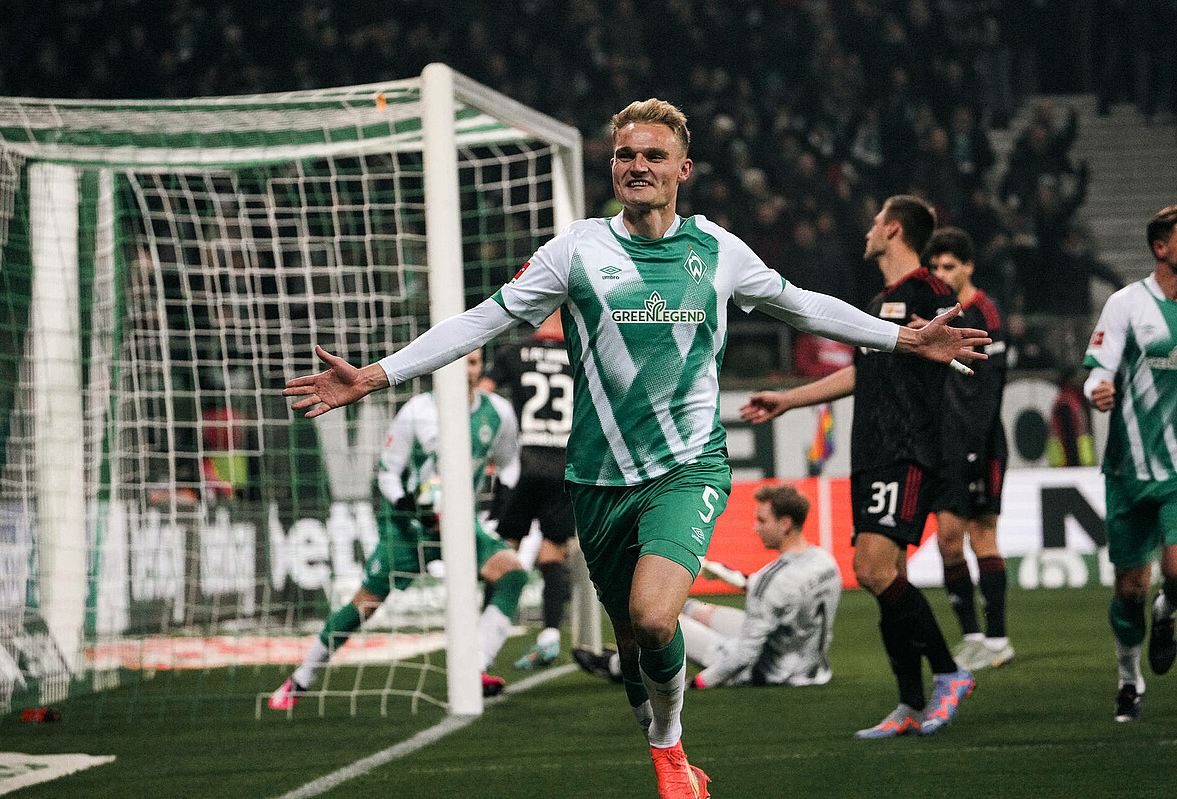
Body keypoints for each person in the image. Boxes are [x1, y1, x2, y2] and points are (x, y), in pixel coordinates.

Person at [284, 102, 988, 797]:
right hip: (595, 480)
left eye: (653, 155)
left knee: (656, 617)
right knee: (632, 643)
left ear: (682, 169)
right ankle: (660, 726)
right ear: (612, 166)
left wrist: (903, 337)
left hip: (686, 469)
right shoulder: (576, 250)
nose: (637, 165)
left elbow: (803, 304)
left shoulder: (716, 250)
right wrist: (378, 374)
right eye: (626, 154)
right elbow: (484, 320)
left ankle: (670, 752)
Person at [741, 195, 979, 739]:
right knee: (881, 576)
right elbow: (863, 376)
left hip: (907, 450)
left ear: (893, 230)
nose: (868, 231)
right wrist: (789, 399)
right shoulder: (880, 302)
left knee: (872, 570)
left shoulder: (931, 294)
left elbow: (942, 359)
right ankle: (911, 703)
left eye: (875, 223)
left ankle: (948, 673)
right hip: (871, 451)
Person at [269, 350, 526, 709]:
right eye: (460, 361)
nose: (466, 369)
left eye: (473, 362)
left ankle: (476, 665)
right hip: (408, 527)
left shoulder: (498, 413)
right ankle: (301, 679)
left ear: (480, 367)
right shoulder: (417, 412)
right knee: (365, 606)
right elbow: (388, 472)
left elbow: (510, 465)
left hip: (459, 525)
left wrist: (499, 511)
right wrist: (408, 503)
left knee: (512, 574)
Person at [577, 484, 842, 689]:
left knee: (657, 621)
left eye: (762, 520)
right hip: (808, 661)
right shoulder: (825, 562)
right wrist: (738, 579)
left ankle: (615, 665)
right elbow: (786, 595)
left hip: (768, 669)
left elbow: (745, 653)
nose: (755, 528)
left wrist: (703, 682)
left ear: (785, 524)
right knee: (691, 607)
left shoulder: (770, 580)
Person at [1082, 204, 1177, 723]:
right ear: (1160, 247)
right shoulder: (1127, 304)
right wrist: (1097, 390)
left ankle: (1170, 609)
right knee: (1130, 590)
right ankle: (1129, 679)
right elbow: (1099, 367)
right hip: (1129, 468)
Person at [923, 227, 1014, 671]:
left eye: (948, 266)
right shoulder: (934, 314)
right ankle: (973, 637)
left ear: (968, 267)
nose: (940, 273)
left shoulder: (985, 312)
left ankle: (998, 639)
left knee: (983, 537)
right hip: (942, 446)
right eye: (935, 266)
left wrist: (977, 447)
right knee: (947, 543)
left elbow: (991, 388)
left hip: (982, 444)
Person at [478, 309, 576, 669]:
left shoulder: (512, 352)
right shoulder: (583, 352)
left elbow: (482, 395)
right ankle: (549, 636)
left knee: (502, 553)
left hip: (524, 465)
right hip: (566, 466)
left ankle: (482, 641)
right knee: (552, 556)